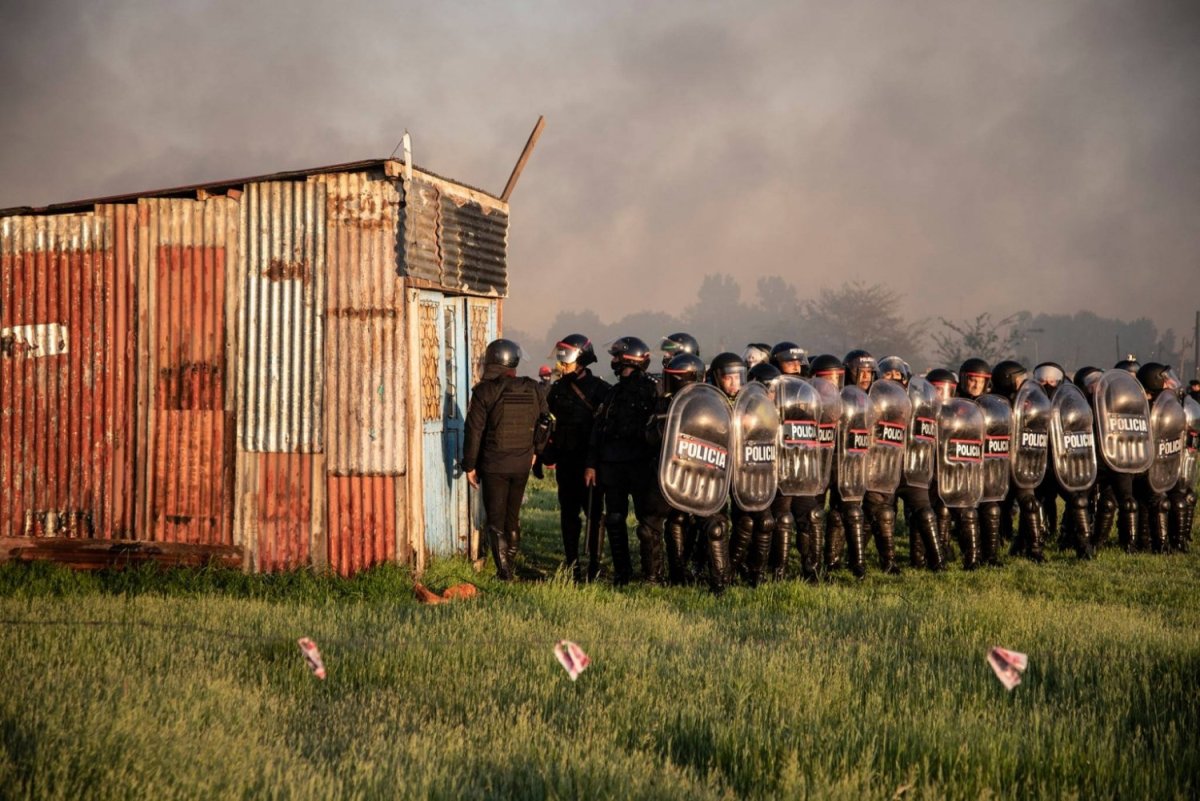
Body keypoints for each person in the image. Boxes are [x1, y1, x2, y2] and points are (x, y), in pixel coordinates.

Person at [462, 338, 549, 581]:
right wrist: (535, 451)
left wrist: (469, 465)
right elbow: (546, 422)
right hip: (522, 463)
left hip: (494, 465)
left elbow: (474, 430)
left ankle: (504, 573)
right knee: (512, 518)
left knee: (496, 521)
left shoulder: (484, 391)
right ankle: (509, 564)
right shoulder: (534, 388)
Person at [585, 337, 669, 585]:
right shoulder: (613, 393)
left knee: (649, 524)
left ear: (629, 360)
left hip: (643, 466)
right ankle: (622, 573)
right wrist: (591, 463)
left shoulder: (654, 390)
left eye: (616, 357)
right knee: (614, 519)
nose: (613, 362)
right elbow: (598, 431)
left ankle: (653, 575)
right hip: (612, 466)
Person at [543, 334, 611, 581]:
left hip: (591, 465)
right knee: (568, 515)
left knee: (594, 514)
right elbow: (546, 423)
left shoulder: (602, 391)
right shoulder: (557, 390)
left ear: (581, 359)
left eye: (566, 359)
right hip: (566, 463)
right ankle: (572, 564)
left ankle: (594, 562)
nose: (562, 364)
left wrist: (595, 462)